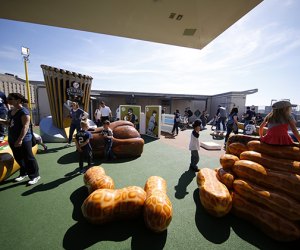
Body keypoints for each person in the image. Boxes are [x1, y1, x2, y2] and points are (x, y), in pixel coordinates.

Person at [0, 93, 40, 185]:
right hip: (12, 137)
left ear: (18, 100)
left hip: (24, 139)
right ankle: (24, 173)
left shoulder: (24, 112)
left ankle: (35, 175)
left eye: (10, 99)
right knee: (18, 157)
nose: (8, 100)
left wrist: (20, 140)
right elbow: (9, 123)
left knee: (28, 158)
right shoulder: (10, 112)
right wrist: (1, 121)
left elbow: (25, 127)